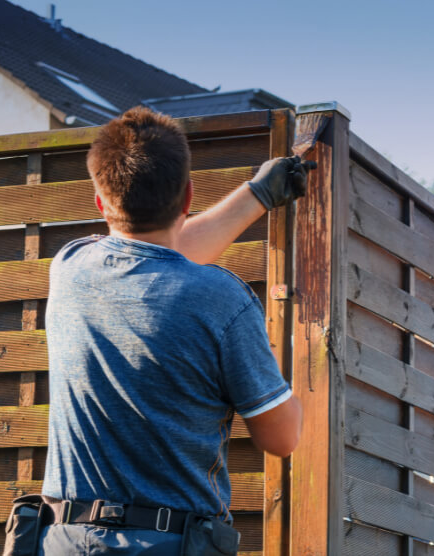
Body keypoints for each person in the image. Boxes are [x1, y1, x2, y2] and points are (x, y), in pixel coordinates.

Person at [38, 106, 306, 555]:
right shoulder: (222, 300)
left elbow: (149, 256)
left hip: (64, 540)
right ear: (187, 197)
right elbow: (282, 439)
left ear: (100, 202)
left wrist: (257, 196)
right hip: (170, 544)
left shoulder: (69, 268)